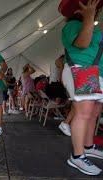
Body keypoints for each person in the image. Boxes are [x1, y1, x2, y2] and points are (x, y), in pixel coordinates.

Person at [61, 0, 103, 175]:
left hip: (96, 72)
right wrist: (89, 17)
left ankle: (88, 146)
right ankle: (77, 156)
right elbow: (82, 44)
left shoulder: (97, 30)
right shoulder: (72, 25)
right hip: (81, 69)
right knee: (84, 112)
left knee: (94, 113)